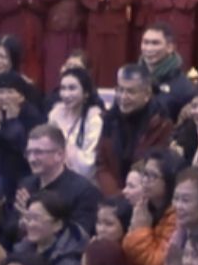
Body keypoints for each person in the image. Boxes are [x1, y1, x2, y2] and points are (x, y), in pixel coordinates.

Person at [95, 64, 173, 195]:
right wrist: (116, 195)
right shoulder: (109, 119)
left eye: (130, 92)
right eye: (120, 90)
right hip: (112, 196)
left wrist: (131, 192)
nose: (123, 97)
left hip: (144, 194)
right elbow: (102, 164)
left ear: (147, 93)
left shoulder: (161, 123)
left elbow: (156, 168)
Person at [47, 67, 106, 181]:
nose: (66, 94)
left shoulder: (93, 118)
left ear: (86, 93)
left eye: (72, 88)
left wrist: (66, 149)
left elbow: (88, 164)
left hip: (83, 180)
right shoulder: (55, 113)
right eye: (63, 88)